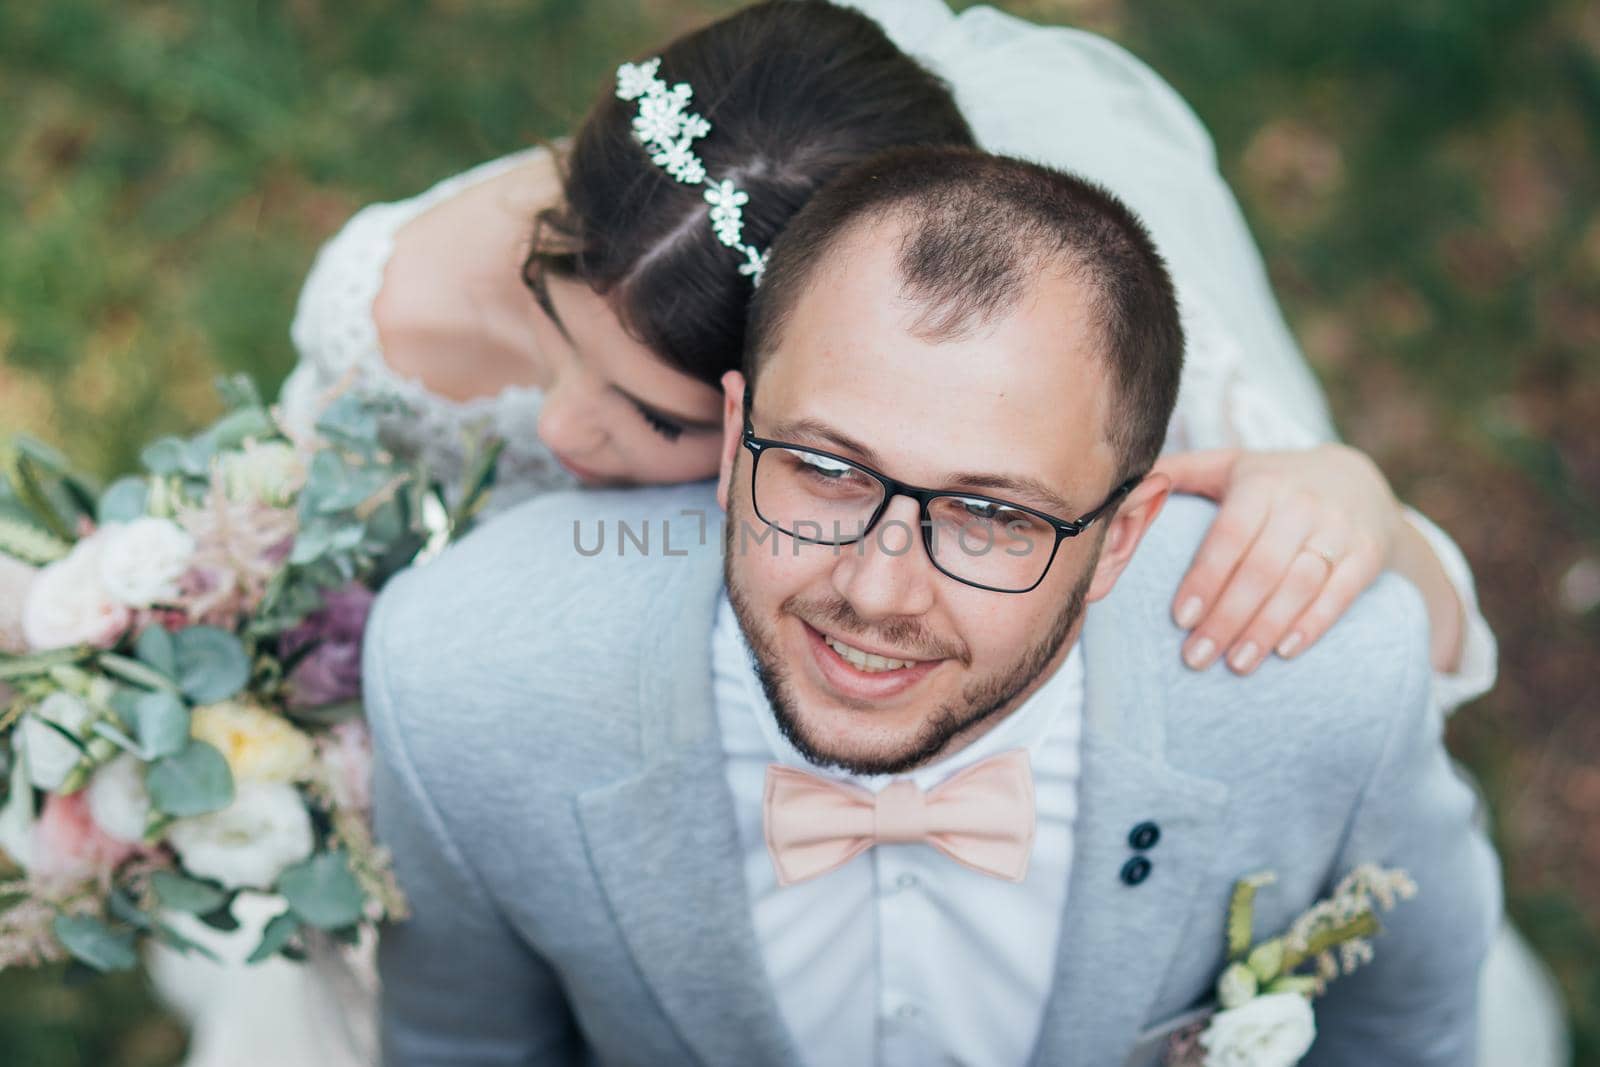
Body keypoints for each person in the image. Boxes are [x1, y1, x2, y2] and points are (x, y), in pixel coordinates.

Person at [153, 2, 1564, 1064]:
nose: (568, 434)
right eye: (825, 465)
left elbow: (1372, 723)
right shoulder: (470, 614)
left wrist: (1359, 510)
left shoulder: (1078, 424)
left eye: (986, 512)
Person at [366, 144, 1501, 1066]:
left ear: (1122, 534)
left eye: (992, 516)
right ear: (731, 440)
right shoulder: (460, 679)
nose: (873, 588)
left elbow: (1407, 1037)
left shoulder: (1326, 691)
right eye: (823, 468)